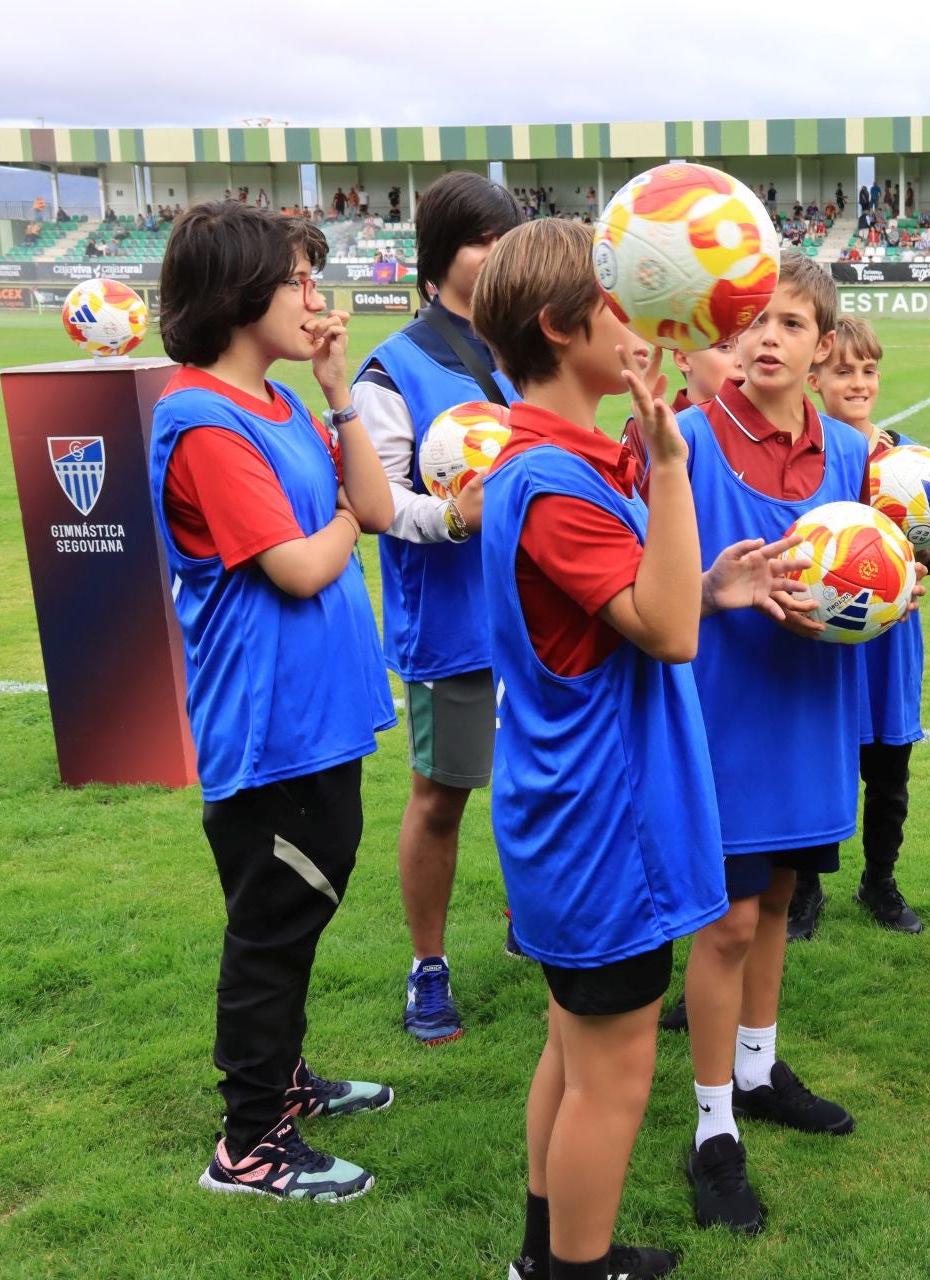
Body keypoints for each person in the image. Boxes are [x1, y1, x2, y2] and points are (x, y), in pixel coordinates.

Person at [470, 216, 806, 1280]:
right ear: (567, 328)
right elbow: (665, 634)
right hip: (601, 823)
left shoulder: (553, 455)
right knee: (611, 1073)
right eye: (628, 301)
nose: (653, 324)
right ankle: (575, 1266)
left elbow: (629, 611)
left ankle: (549, 1253)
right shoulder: (560, 478)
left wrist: (706, 583)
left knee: (574, 1047)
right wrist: (670, 471)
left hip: (569, 809)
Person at [148, 200, 398, 1202]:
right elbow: (300, 566)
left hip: (318, 713)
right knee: (272, 926)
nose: (316, 297)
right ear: (236, 291)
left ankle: (282, 1083)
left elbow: (376, 510)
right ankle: (247, 1143)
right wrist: (341, 514)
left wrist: (339, 390)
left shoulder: (285, 405)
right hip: (269, 726)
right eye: (299, 277)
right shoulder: (202, 417)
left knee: (298, 909)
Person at [671, 252, 904, 1232]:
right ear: (728, 335)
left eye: (794, 323)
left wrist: (886, 595)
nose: (769, 337)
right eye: (755, 320)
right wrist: (715, 592)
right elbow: (639, 600)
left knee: (774, 902)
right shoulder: (679, 441)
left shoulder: (849, 457)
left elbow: (869, 573)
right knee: (724, 921)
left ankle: (760, 1070)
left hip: (808, 705)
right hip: (722, 710)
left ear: (823, 346)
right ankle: (712, 1126)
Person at [353, 172, 525, 1045]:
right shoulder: (394, 366)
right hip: (452, 627)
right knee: (442, 796)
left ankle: (527, 919)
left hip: (538, 620)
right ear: (439, 255)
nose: (496, 257)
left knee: (543, 779)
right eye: (480, 241)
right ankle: (428, 967)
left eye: (506, 240)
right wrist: (457, 516)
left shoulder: (530, 346)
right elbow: (380, 503)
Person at [790, 316, 930, 937]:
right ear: (813, 375)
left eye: (868, 370)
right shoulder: (804, 459)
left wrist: (916, 566)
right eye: (843, 371)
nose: (858, 382)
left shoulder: (902, 459)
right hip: (823, 644)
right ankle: (804, 889)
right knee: (818, 760)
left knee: (889, 768)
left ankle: (880, 881)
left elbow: (928, 545)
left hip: (890, 641)